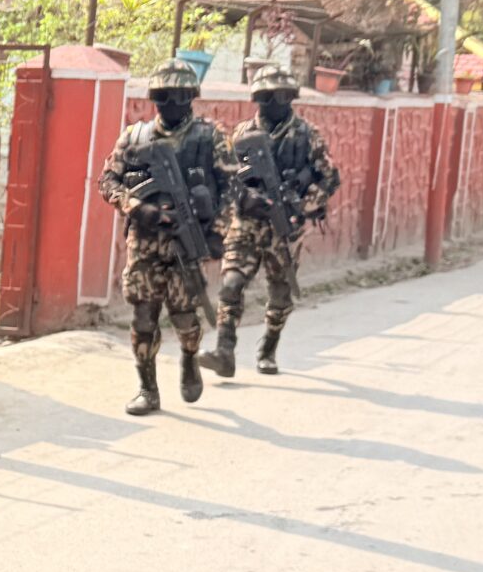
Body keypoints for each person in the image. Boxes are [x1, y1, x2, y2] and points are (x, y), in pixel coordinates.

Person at [97, 62, 230, 416]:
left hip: (187, 241)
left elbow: (232, 187)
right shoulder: (134, 137)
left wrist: (218, 231)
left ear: (191, 97)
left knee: (185, 317)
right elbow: (108, 181)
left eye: (180, 95)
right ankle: (148, 389)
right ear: (154, 97)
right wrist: (136, 206)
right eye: (164, 96)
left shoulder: (210, 137)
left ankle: (189, 358)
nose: (171, 102)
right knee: (143, 316)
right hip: (145, 242)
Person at [206, 70, 343, 377]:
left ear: (291, 98)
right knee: (231, 283)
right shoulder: (243, 133)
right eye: (267, 96)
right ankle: (224, 351)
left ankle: (268, 347)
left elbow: (330, 178)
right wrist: (244, 196)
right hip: (247, 223)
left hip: (286, 226)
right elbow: (226, 176)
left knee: (281, 294)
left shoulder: (307, 135)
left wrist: (302, 206)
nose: (274, 102)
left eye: (281, 96)